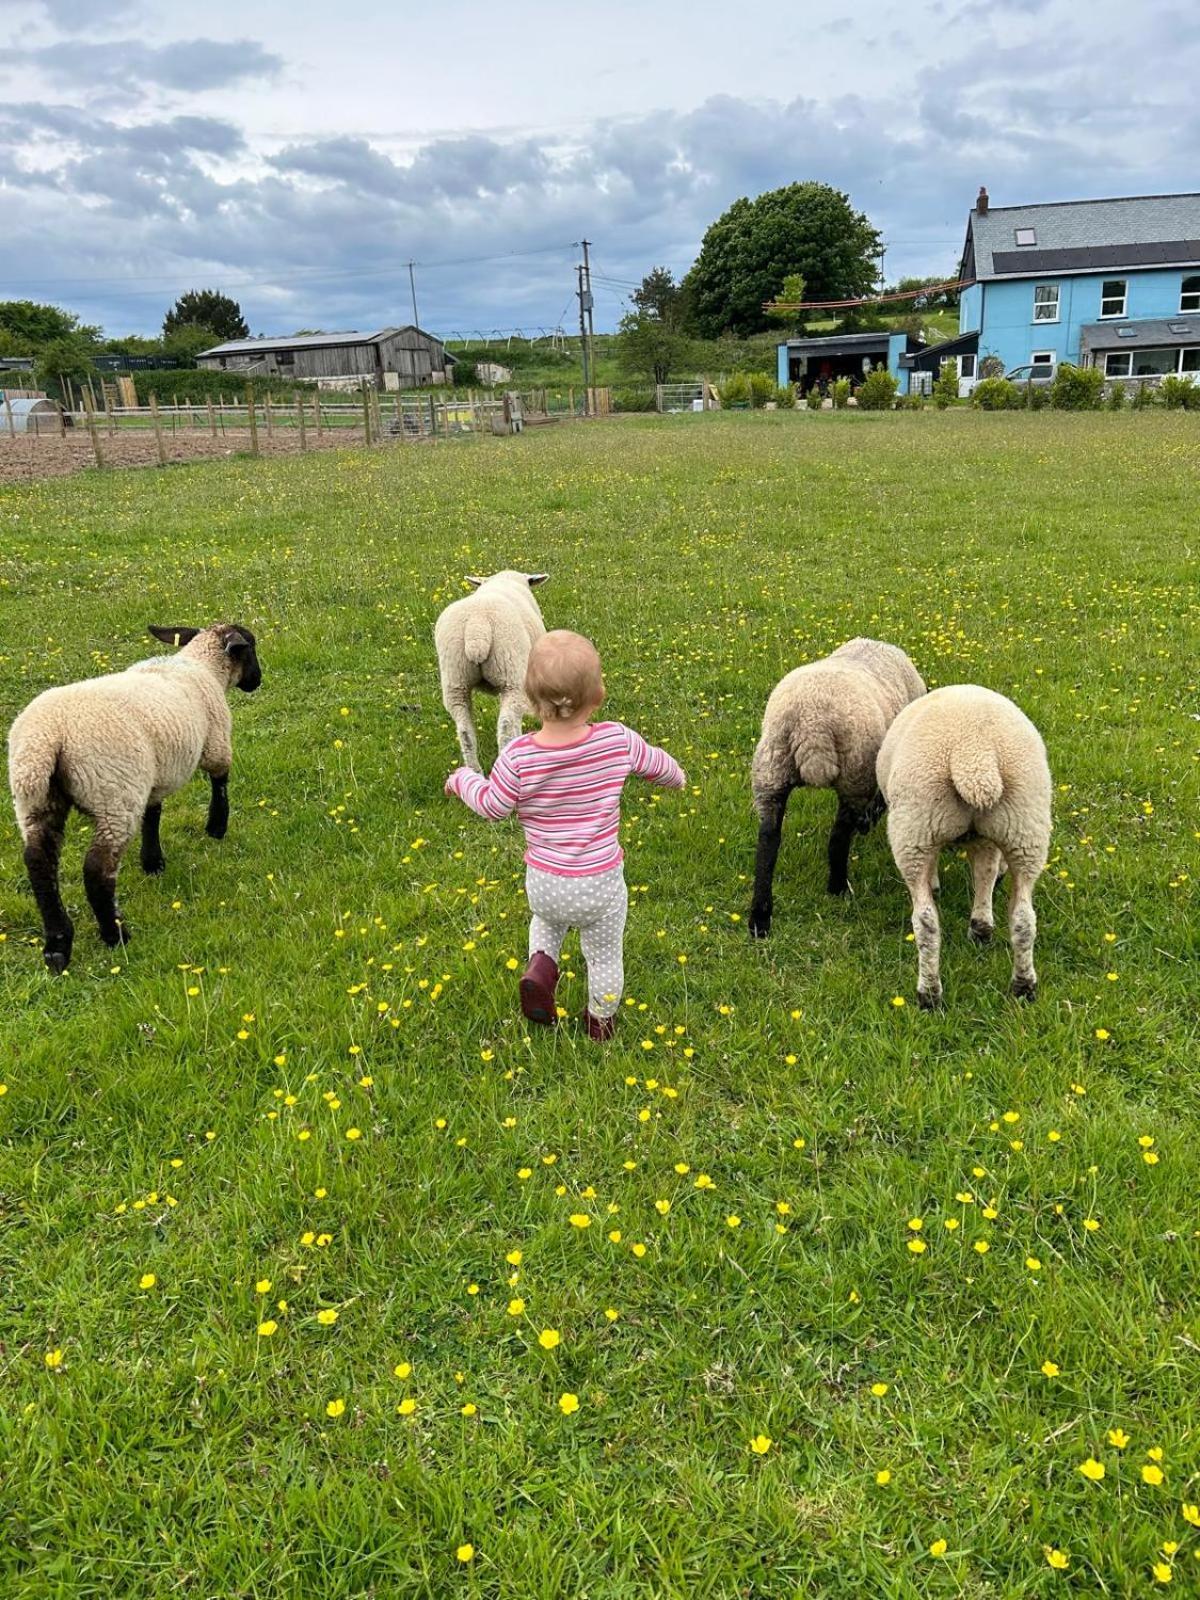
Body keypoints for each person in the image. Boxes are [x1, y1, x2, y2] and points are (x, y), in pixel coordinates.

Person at [444, 629, 687, 1039]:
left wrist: (463, 779)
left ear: (530, 698)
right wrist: (677, 778)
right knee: (605, 955)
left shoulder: (518, 755)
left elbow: (492, 806)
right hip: (600, 885)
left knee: (546, 921)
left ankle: (542, 965)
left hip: (546, 882)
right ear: (598, 695)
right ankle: (600, 1022)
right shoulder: (616, 740)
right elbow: (660, 766)